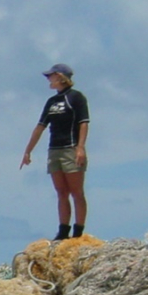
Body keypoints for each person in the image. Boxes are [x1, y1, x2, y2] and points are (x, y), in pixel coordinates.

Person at [20, 63, 90, 240]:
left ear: (60, 76)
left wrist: (80, 147)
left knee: (76, 191)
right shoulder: (51, 102)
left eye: (50, 76)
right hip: (54, 149)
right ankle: (63, 230)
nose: (48, 79)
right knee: (61, 192)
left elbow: (84, 123)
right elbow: (40, 127)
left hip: (71, 148)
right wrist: (28, 151)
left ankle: (78, 230)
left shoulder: (76, 98)